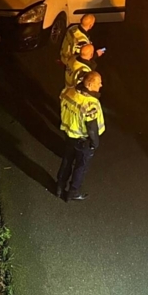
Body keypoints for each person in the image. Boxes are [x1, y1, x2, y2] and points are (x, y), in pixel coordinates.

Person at [56, 71, 105, 201]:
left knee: (67, 161)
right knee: (80, 167)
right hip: (83, 141)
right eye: (98, 83)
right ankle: (73, 192)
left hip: (69, 135)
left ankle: (59, 187)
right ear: (89, 84)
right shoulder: (90, 104)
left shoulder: (69, 91)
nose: (101, 85)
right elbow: (92, 128)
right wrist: (95, 143)